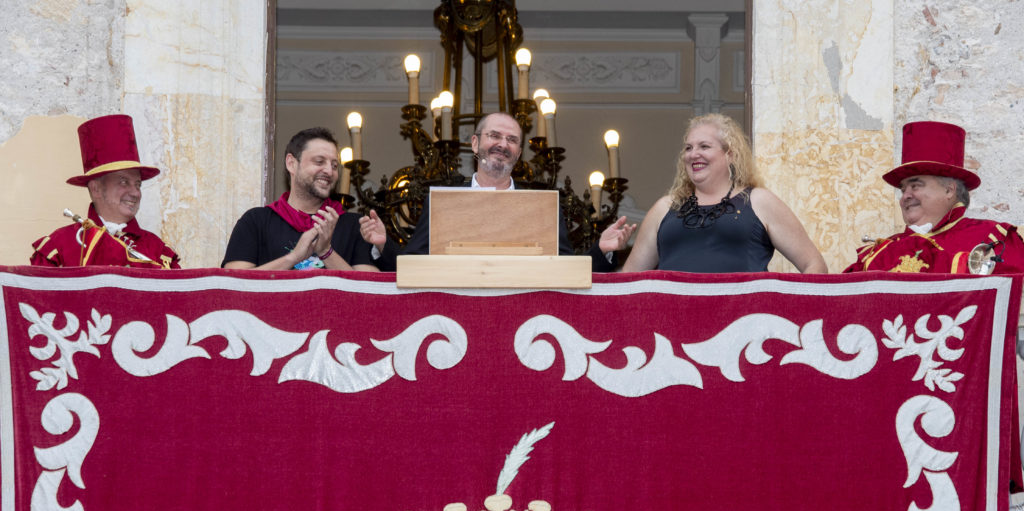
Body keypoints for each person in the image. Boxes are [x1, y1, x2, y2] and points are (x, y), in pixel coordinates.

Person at [358, 112, 636, 271]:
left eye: (512, 140)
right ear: (476, 143)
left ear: (518, 153)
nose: (503, 144)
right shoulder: (443, 202)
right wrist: (384, 244)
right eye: (494, 136)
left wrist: (601, 250)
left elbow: (565, 268)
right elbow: (411, 267)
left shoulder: (544, 206)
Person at [622, 114, 827, 274]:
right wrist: (606, 254)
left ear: (730, 154)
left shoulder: (759, 201)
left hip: (744, 324)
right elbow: (628, 279)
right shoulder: (665, 208)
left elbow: (814, 264)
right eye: (688, 148)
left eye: (704, 146)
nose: (694, 154)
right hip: (671, 323)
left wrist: (791, 312)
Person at [845, 120, 1024, 274]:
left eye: (915, 186)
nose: (905, 196)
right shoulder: (880, 254)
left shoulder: (994, 240)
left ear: (949, 190)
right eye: (902, 190)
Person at [31, 114, 181, 268]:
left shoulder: (158, 251)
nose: (135, 193)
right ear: (96, 189)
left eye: (138, 184)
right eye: (123, 182)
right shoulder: (59, 247)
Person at [223, 127, 377, 271]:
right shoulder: (256, 221)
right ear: (291, 164)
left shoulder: (355, 225)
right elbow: (233, 285)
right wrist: (293, 257)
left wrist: (326, 252)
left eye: (335, 165)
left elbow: (371, 292)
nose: (329, 171)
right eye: (319, 162)